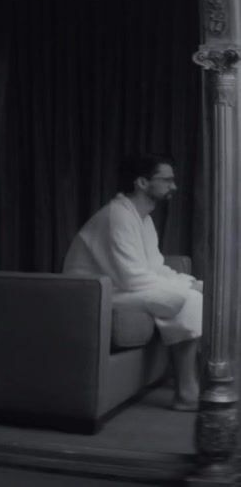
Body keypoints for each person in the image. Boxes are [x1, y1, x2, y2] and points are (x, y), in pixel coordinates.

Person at [63, 154, 201, 411]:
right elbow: (132, 276)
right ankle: (187, 391)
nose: (174, 186)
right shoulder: (118, 215)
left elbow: (154, 267)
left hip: (120, 288)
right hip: (92, 294)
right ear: (142, 182)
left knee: (195, 292)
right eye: (167, 180)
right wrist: (184, 288)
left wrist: (187, 281)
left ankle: (187, 385)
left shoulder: (143, 218)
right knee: (186, 297)